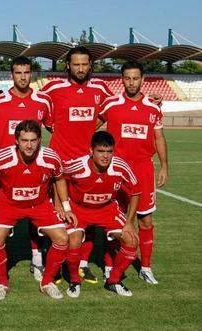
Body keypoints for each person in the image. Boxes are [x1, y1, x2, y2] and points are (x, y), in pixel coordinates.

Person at [0, 120, 75, 300]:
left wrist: (65, 207)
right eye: (25, 140)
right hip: (8, 205)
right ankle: (2, 284)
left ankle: (46, 282)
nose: (29, 145)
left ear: (39, 140)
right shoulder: (2, 158)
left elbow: (59, 179)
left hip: (40, 204)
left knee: (62, 237)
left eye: (33, 140)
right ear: (16, 141)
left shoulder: (51, 157)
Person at [39, 46, 115, 284]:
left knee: (88, 216)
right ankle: (53, 262)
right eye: (76, 64)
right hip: (60, 164)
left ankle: (81, 264)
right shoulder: (52, 88)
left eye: (85, 64)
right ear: (67, 66)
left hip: (88, 165)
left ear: (90, 65)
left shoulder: (100, 88)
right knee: (56, 214)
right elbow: (39, 110)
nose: (80, 68)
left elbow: (112, 109)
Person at [97, 61, 168, 284]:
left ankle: (145, 267)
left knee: (145, 220)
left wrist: (164, 165)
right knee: (114, 221)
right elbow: (91, 126)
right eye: (127, 78)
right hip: (116, 169)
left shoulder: (153, 107)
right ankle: (109, 266)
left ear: (142, 79)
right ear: (122, 80)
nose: (131, 82)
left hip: (143, 169)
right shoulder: (111, 105)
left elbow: (159, 137)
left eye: (135, 78)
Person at [0, 56, 53, 281]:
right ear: (11, 75)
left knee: (36, 219)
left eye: (27, 72)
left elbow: (56, 127)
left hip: (35, 172)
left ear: (31, 74)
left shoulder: (43, 101)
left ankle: (37, 260)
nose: (23, 77)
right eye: (18, 72)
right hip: (5, 174)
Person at [63, 131, 141, 297]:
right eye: (100, 151)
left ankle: (113, 280)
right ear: (91, 150)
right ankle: (75, 280)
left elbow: (136, 191)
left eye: (109, 151)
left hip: (106, 209)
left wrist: (129, 222)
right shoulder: (78, 165)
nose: (105, 156)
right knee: (74, 240)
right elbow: (59, 177)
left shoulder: (120, 166)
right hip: (79, 209)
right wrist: (63, 206)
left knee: (132, 240)